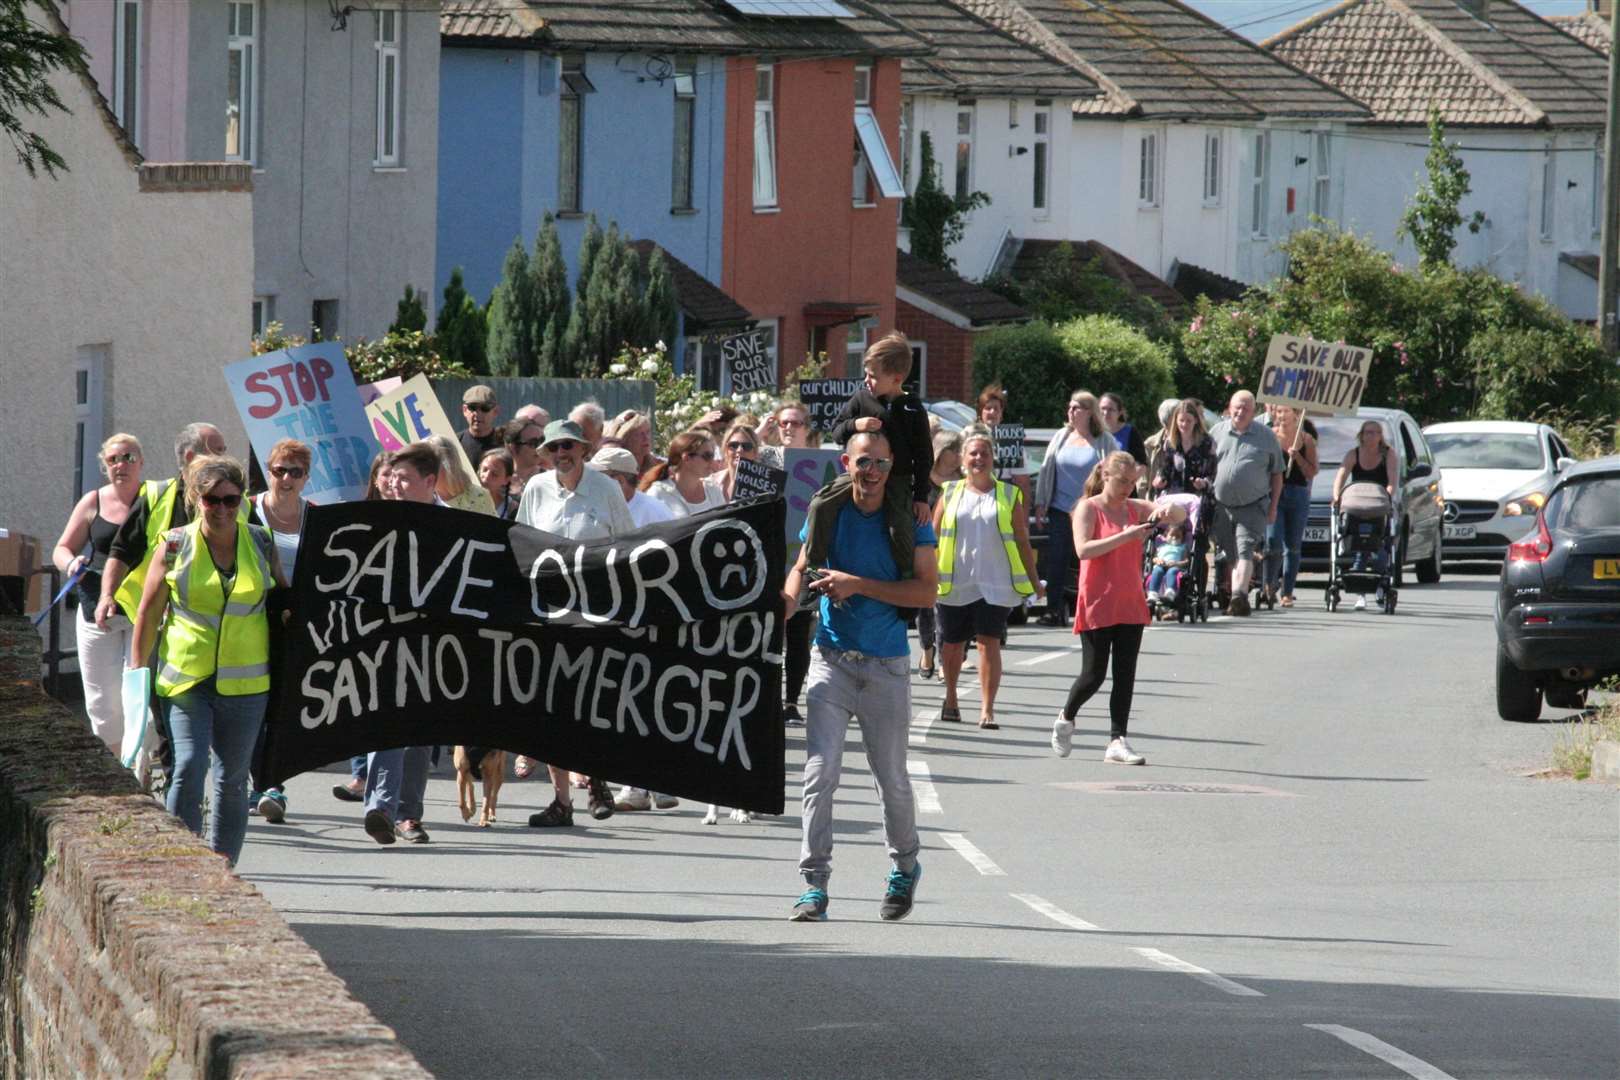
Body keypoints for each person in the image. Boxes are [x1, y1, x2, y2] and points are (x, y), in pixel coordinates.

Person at [783, 431, 938, 923]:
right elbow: (802, 568)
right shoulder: (826, 512)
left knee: (890, 780)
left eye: (880, 464)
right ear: (846, 462)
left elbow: (926, 594)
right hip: (830, 658)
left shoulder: (910, 521)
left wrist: (858, 585)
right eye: (862, 461)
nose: (870, 472)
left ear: (891, 469)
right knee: (818, 774)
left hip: (885, 666)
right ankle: (814, 885)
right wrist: (785, 605)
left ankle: (904, 866)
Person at [129, 455, 285, 865]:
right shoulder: (175, 545)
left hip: (247, 683)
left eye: (230, 500)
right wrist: (136, 670)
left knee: (232, 781)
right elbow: (147, 611)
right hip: (185, 678)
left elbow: (285, 604)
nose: (221, 509)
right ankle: (184, 862)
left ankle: (222, 867)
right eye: (212, 500)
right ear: (196, 499)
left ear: (241, 500)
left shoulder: (260, 542)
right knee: (189, 765)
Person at [515, 420, 635, 825]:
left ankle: (598, 783)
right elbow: (525, 545)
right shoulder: (536, 488)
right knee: (553, 707)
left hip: (596, 613)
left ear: (583, 448)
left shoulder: (606, 489)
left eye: (568, 446)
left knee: (592, 703)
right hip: (549, 613)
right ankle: (561, 800)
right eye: (553, 448)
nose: (561, 453)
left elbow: (629, 547)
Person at [1052, 451, 1184, 766]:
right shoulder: (1088, 508)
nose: (1127, 488)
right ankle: (1066, 718)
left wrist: (1168, 508)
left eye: (1132, 483)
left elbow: (1179, 516)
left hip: (1129, 599)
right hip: (1098, 598)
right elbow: (1083, 550)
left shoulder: (1134, 508)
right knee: (1094, 674)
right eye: (1122, 481)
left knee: (1125, 674)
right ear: (1106, 475)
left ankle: (1117, 739)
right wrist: (1126, 535)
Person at [934, 426, 1041, 730]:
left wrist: (1034, 581)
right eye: (973, 453)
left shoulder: (1009, 494)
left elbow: (1022, 540)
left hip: (995, 582)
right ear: (962, 460)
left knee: (988, 643)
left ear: (993, 458)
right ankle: (952, 697)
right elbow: (932, 535)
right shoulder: (949, 492)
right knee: (953, 645)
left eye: (985, 453)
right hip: (955, 580)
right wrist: (924, 575)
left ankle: (987, 709)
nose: (979, 458)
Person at [805, 332, 933, 584]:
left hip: (896, 478)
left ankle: (905, 580)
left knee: (900, 529)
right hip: (860, 475)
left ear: (896, 378)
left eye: (873, 376)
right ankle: (813, 568)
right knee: (820, 505)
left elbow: (924, 455)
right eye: (866, 373)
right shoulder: (861, 398)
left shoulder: (913, 408)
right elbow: (837, 430)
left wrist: (920, 497)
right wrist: (856, 423)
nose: (866, 380)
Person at [52, 434, 146, 760]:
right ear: (105, 466)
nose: (121, 465)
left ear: (141, 462)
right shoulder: (93, 501)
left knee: (139, 694)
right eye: (113, 460)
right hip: (97, 609)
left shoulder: (154, 501)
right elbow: (62, 549)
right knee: (102, 702)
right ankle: (114, 771)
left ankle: (139, 771)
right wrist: (71, 563)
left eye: (128, 458)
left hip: (143, 609)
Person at [244, 439, 312, 824]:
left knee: (281, 711)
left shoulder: (315, 517)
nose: (285, 479)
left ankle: (272, 786)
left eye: (295, 472)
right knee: (254, 706)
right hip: (250, 622)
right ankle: (254, 783)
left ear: (306, 478)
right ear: (268, 471)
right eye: (279, 470)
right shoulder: (246, 511)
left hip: (292, 626)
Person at [1033, 392, 1119, 625]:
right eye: (1069, 407)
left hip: (1090, 510)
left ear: (1090, 412)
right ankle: (1053, 609)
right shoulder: (1062, 436)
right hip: (1060, 509)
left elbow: (1115, 473)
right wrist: (1041, 502)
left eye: (1077, 408)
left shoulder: (1104, 440)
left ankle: (1092, 607)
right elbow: (1046, 469)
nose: (1071, 412)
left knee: (1088, 560)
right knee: (1057, 560)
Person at [1208, 391, 1284, 617]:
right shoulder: (1216, 433)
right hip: (1221, 506)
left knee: (1245, 551)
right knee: (1229, 554)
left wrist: (1273, 508)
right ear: (1229, 407)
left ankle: (1238, 596)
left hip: (1253, 505)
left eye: (1246, 409)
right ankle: (1233, 592)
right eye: (1237, 407)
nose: (1240, 412)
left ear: (1254, 412)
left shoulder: (1266, 436)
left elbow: (1277, 475)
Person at [1332, 419, 1398, 609]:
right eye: (1368, 432)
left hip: (1378, 506)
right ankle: (1360, 593)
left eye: (1375, 432)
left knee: (1380, 546)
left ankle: (1380, 586)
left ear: (1380, 436)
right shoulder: (1353, 454)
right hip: (1357, 506)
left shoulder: (1388, 454)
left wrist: (1388, 496)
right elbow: (1341, 476)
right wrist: (1337, 495)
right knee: (1359, 547)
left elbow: (1392, 479)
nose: (1371, 436)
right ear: (1361, 435)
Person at [915, 431, 962, 681]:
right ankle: (927, 650)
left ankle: (945, 660)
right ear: (940, 451)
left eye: (959, 450)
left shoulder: (963, 481)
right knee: (925, 606)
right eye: (953, 450)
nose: (957, 456)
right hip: (925, 548)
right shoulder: (923, 480)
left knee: (946, 609)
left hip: (955, 553)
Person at [1264, 407, 1318, 608]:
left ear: (1296, 414)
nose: (1282, 416)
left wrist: (1298, 458)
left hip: (1297, 493)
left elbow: (1312, 471)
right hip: (1274, 493)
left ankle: (1287, 592)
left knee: (1293, 546)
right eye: (1278, 412)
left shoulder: (1306, 439)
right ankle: (1268, 585)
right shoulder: (1270, 436)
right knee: (1272, 541)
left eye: (1286, 411)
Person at [643, 430, 727, 517]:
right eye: (707, 456)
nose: (712, 461)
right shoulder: (658, 493)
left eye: (712, 456)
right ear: (686, 458)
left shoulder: (713, 489)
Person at [590, 446, 671, 529]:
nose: (590, 481)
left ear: (619, 480)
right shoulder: (593, 507)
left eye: (596, 477)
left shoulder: (655, 512)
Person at [1153, 399, 1216, 496]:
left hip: (1199, 499)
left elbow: (1212, 473)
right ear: (1176, 421)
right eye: (1181, 420)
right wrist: (1160, 479)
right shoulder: (1170, 443)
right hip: (1174, 498)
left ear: (1196, 420)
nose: (1184, 424)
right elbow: (1165, 469)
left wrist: (1204, 483)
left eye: (1189, 421)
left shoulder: (1207, 443)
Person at [1141, 398, 1182, 496]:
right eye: (1179, 416)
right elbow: (1142, 481)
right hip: (1155, 502)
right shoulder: (1150, 444)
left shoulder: (1191, 443)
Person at [1099, 392, 1148, 468]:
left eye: (1110, 409)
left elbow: (1141, 464)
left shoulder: (1130, 432)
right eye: (1103, 408)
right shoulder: (1092, 432)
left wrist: (1129, 479)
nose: (1105, 413)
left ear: (1119, 413)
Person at [1145, 523, 1190, 604]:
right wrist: (1157, 560)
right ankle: (1152, 593)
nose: (1174, 538)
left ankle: (1170, 592)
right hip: (1161, 565)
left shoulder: (1183, 547)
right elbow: (1154, 558)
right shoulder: (1162, 546)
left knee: (1172, 572)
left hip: (1174, 566)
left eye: (1178, 536)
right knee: (1157, 571)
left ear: (1183, 538)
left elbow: (1186, 561)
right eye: (1172, 535)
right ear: (1166, 535)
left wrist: (1176, 563)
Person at [718, 422, 761, 502]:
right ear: (725, 450)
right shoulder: (711, 483)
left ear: (755, 452)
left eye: (746, 446)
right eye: (733, 445)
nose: (739, 450)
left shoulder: (766, 485)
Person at [459, 385, 501, 464]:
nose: (477, 413)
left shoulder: (504, 445)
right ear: (464, 410)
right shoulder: (456, 443)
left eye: (485, 408)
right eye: (472, 407)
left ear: (496, 411)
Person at [479, 449, 519, 519]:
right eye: (484, 469)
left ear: (506, 480)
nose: (486, 476)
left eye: (494, 474)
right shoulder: (463, 498)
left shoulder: (511, 510)